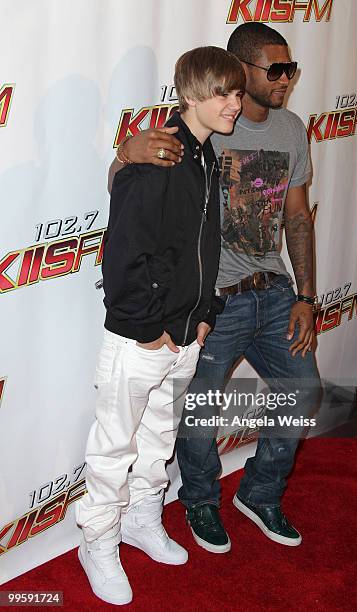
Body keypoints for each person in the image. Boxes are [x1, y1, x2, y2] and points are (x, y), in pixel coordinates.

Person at [110, 23, 321, 555]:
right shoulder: (210, 122)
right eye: (275, 70)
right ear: (238, 71)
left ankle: (261, 492)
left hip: (274, 290)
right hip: (214, 298)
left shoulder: (292, 129)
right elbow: (128, 178)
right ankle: (200, 497)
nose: (286, 80)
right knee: (198, 409)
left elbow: (297, 217)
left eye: (290, 69)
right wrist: (127, 149)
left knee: (303, 390)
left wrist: (306, 296)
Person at [76, 46, 245, 605]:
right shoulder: (156, 155)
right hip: (141, 336)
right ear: (190, 94)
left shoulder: (204, 155)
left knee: (156, 441)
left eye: (238, 92)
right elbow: (122, 254)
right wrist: (147, 327)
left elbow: (203, 248)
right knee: (112, 449)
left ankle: (142, 520)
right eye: (222, 92)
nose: (234, 104)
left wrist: (201, 318)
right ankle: (96, 542)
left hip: (184, 333)